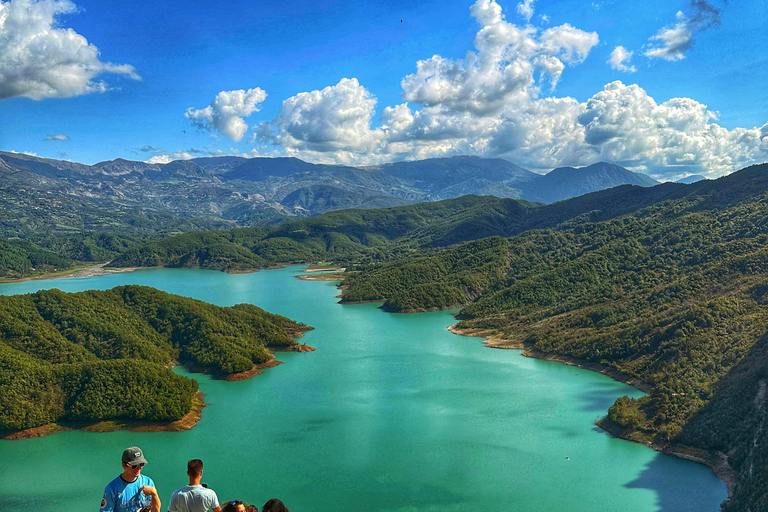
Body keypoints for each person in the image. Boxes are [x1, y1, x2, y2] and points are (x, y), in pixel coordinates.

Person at [100, 446, 161, 512]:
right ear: (124, 465)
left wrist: (154, 493)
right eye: (134, 466)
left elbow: (155, 510)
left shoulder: (148, 482)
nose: (138, 468)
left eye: (141, 464)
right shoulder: (112, 488)